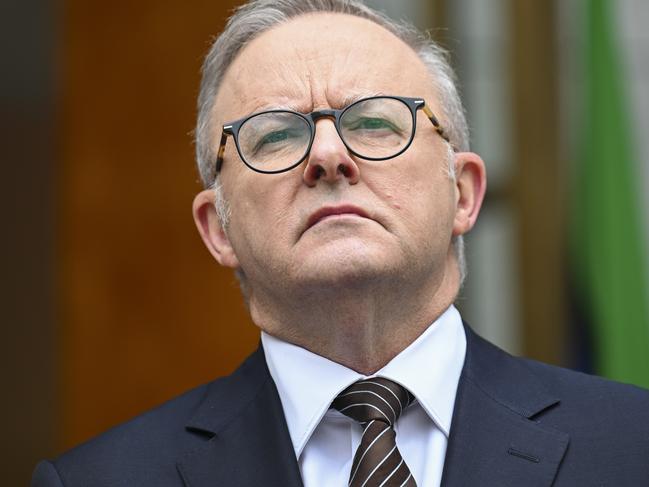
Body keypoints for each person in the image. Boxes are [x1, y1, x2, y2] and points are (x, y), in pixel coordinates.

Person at [32, 1, 649, 486]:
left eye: (375, 122)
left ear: (462, 193)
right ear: (219, 229)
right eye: (274, 136)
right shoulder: (101, 479)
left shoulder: (633, 444)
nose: (329, 156)